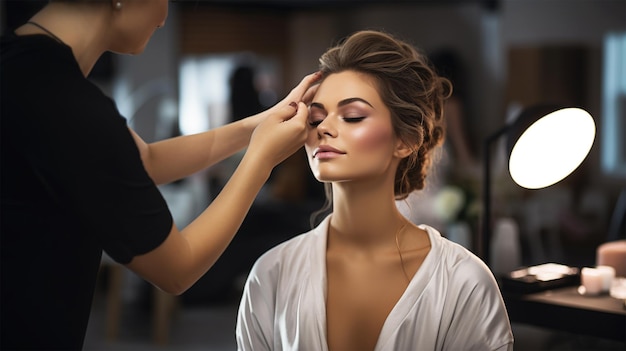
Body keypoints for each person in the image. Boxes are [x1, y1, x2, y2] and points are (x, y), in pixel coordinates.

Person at [0, 1, 321, 349]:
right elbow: (176, 270)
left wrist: (258, 124)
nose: (164, 16)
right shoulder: (68, 104)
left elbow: (145, 160)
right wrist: (261, 158)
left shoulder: (21, 69)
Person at [236, 30, 514, 351]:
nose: (324, 127)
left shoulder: (463, 282)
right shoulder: (271, 275)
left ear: (405, 140)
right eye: (315, 119)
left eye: (352, 116)